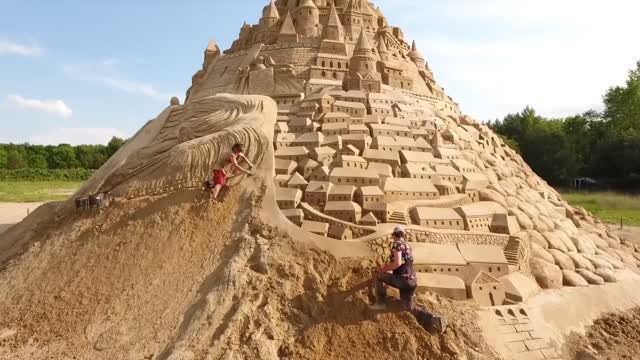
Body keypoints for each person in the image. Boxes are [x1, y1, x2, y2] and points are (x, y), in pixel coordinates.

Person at [372, 226, 448, 334]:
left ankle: (380, 302)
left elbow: (397, 263)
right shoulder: (408, 246)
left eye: (393, 235)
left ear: (394, 235)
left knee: (378, 276)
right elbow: (405, 263)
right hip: (412, 280)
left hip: (402, 280)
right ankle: (434, 320)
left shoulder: (397, 244)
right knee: (409, 307)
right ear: (403, 234)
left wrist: (382, 269)